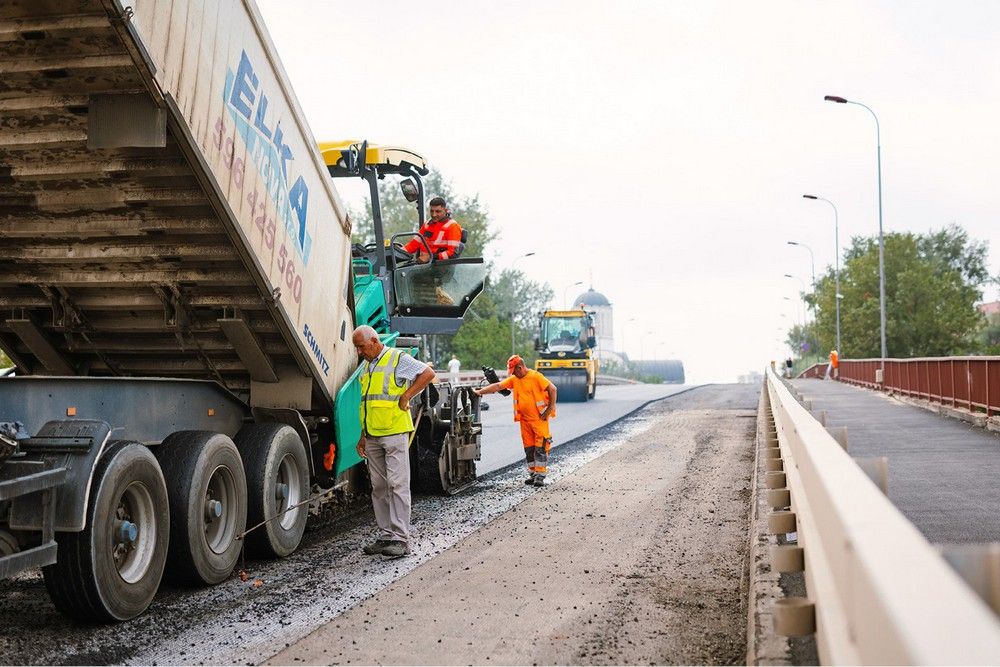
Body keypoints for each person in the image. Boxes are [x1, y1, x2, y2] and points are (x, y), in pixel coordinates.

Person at [353, 325, 436, 558]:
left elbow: (428, 373)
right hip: (372, 435)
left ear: (374, 341)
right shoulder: (367, 366)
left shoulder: (396, 358)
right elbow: (367, 404)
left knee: (397, 485)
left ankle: (400, 539)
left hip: (394, 432)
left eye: (361, 346)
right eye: (357, 348)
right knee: (379, 487)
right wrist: (362, 435)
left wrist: (407, 395)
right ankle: (385, 536)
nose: (359, 352)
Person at [474, 355, 557, 487]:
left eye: (514, 371)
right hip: (524, 421)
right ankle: (533, 473)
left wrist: (550, 408)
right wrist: (479, 392)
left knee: (540, 447)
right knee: (529, 448)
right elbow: (498, 386)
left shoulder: (535, 376)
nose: (513, 374)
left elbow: (552, 389)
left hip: (538, 419)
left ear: (520, 367)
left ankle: (540, 475)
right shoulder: (515, 379)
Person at [403, 196, 465, 263]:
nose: (434, 214)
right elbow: (413, 245)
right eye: (432, 211)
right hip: (424, 266)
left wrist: (431, 257)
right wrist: (398, 251)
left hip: (441, 268)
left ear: (445, 210)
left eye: (438, 211)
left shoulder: (452, 226)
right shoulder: (427, 224)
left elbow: (453, 253)